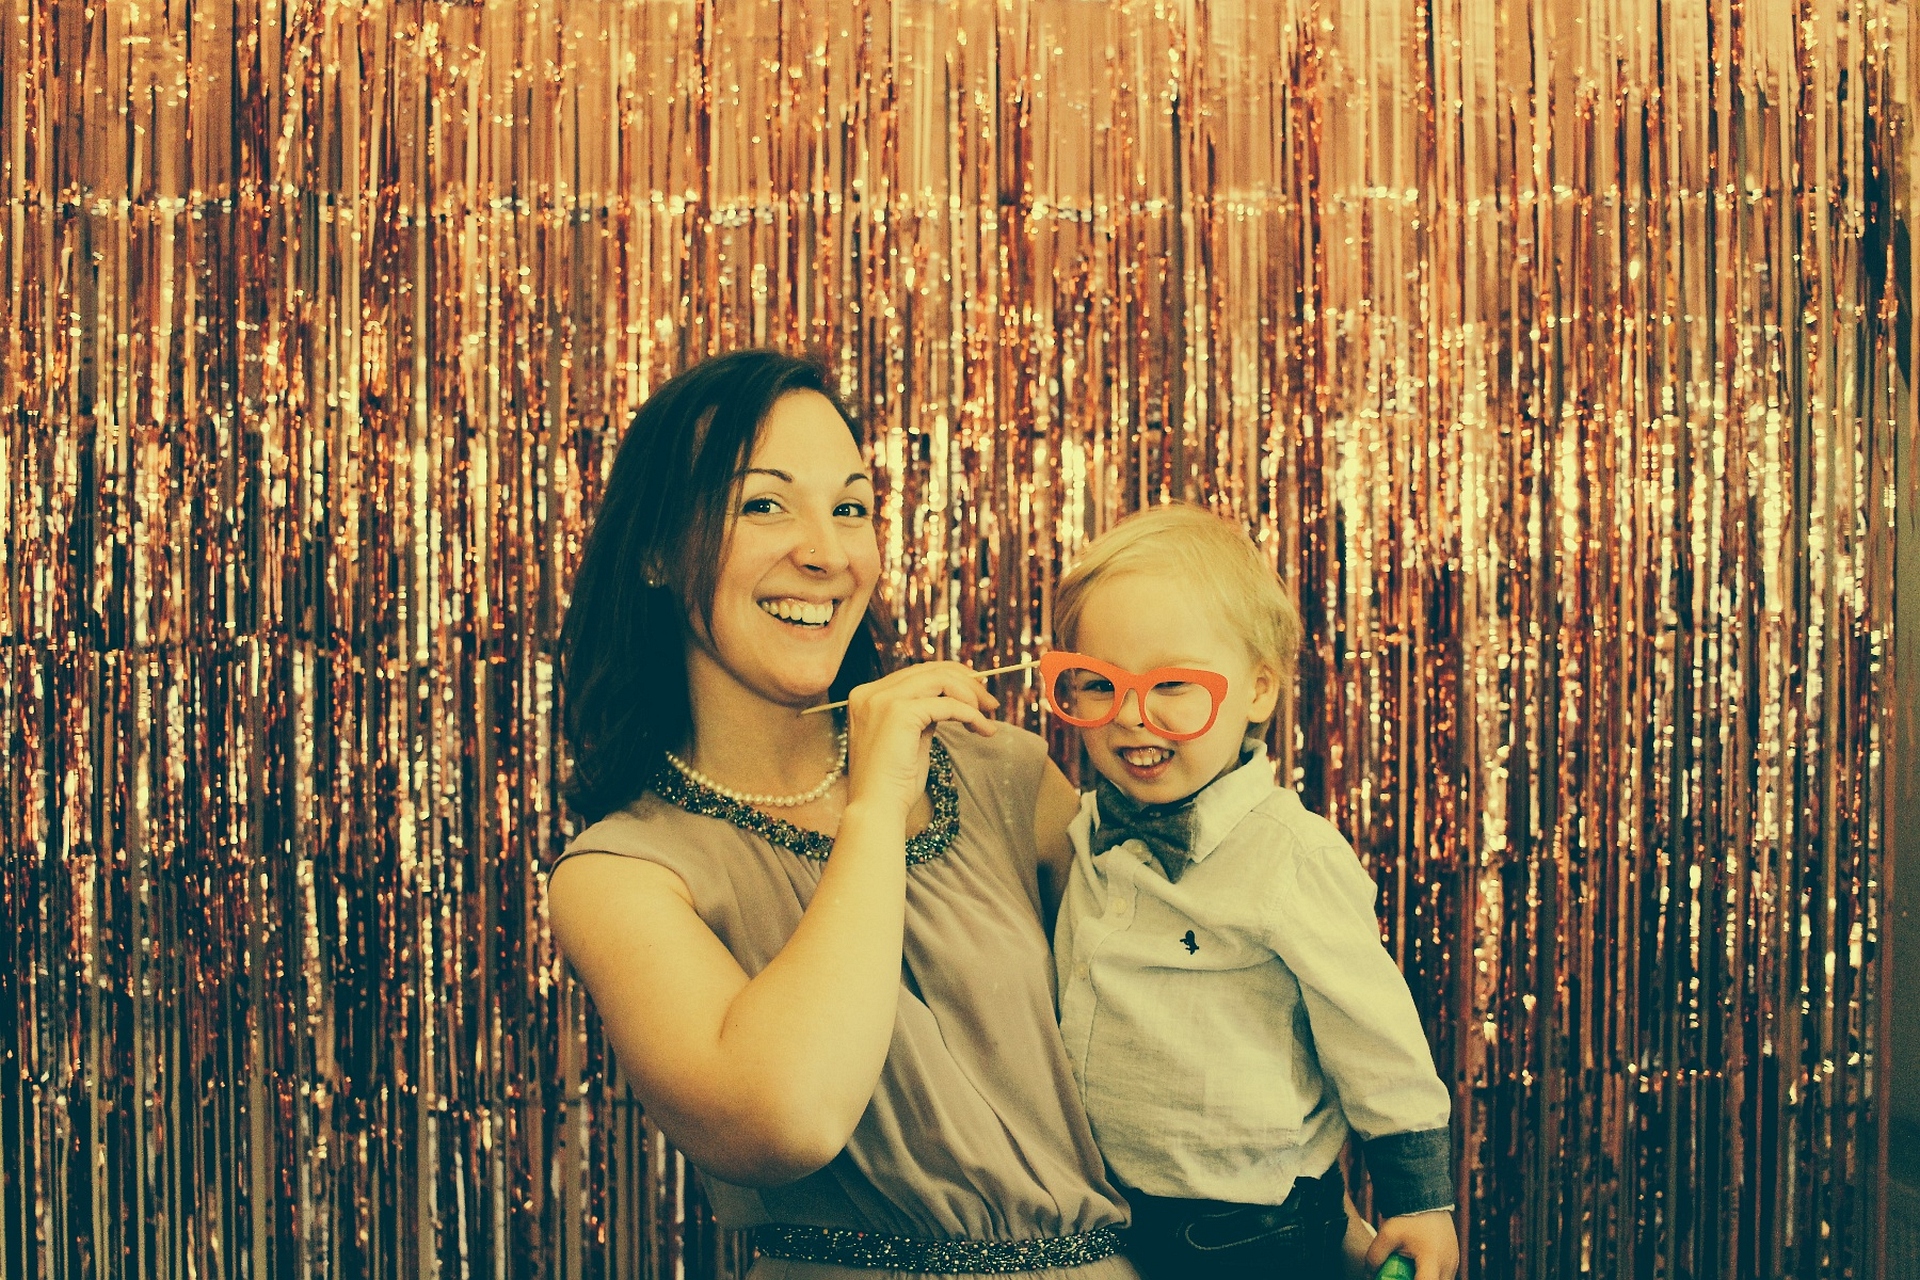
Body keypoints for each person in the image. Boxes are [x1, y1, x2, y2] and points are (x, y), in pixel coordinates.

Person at [546, 349, 1138, 1279]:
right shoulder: (622, 875)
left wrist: (1324, 1223)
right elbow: (788, 1117)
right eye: (763, 504)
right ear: (655, 551)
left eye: (852, 507)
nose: (826, 553)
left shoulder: (1002, 772)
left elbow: (1183, 1011)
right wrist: (873, 810)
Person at [1045, 504, 1460, 1280]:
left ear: (1260, 689)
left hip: (1252, 1229)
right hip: (1111, 1212)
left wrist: (1419, 1201)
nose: (1130, 714)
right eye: (1097, 684)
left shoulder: (1290, 857)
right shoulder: (1083, 830)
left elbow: (1376, 1038)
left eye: (1173, 684)